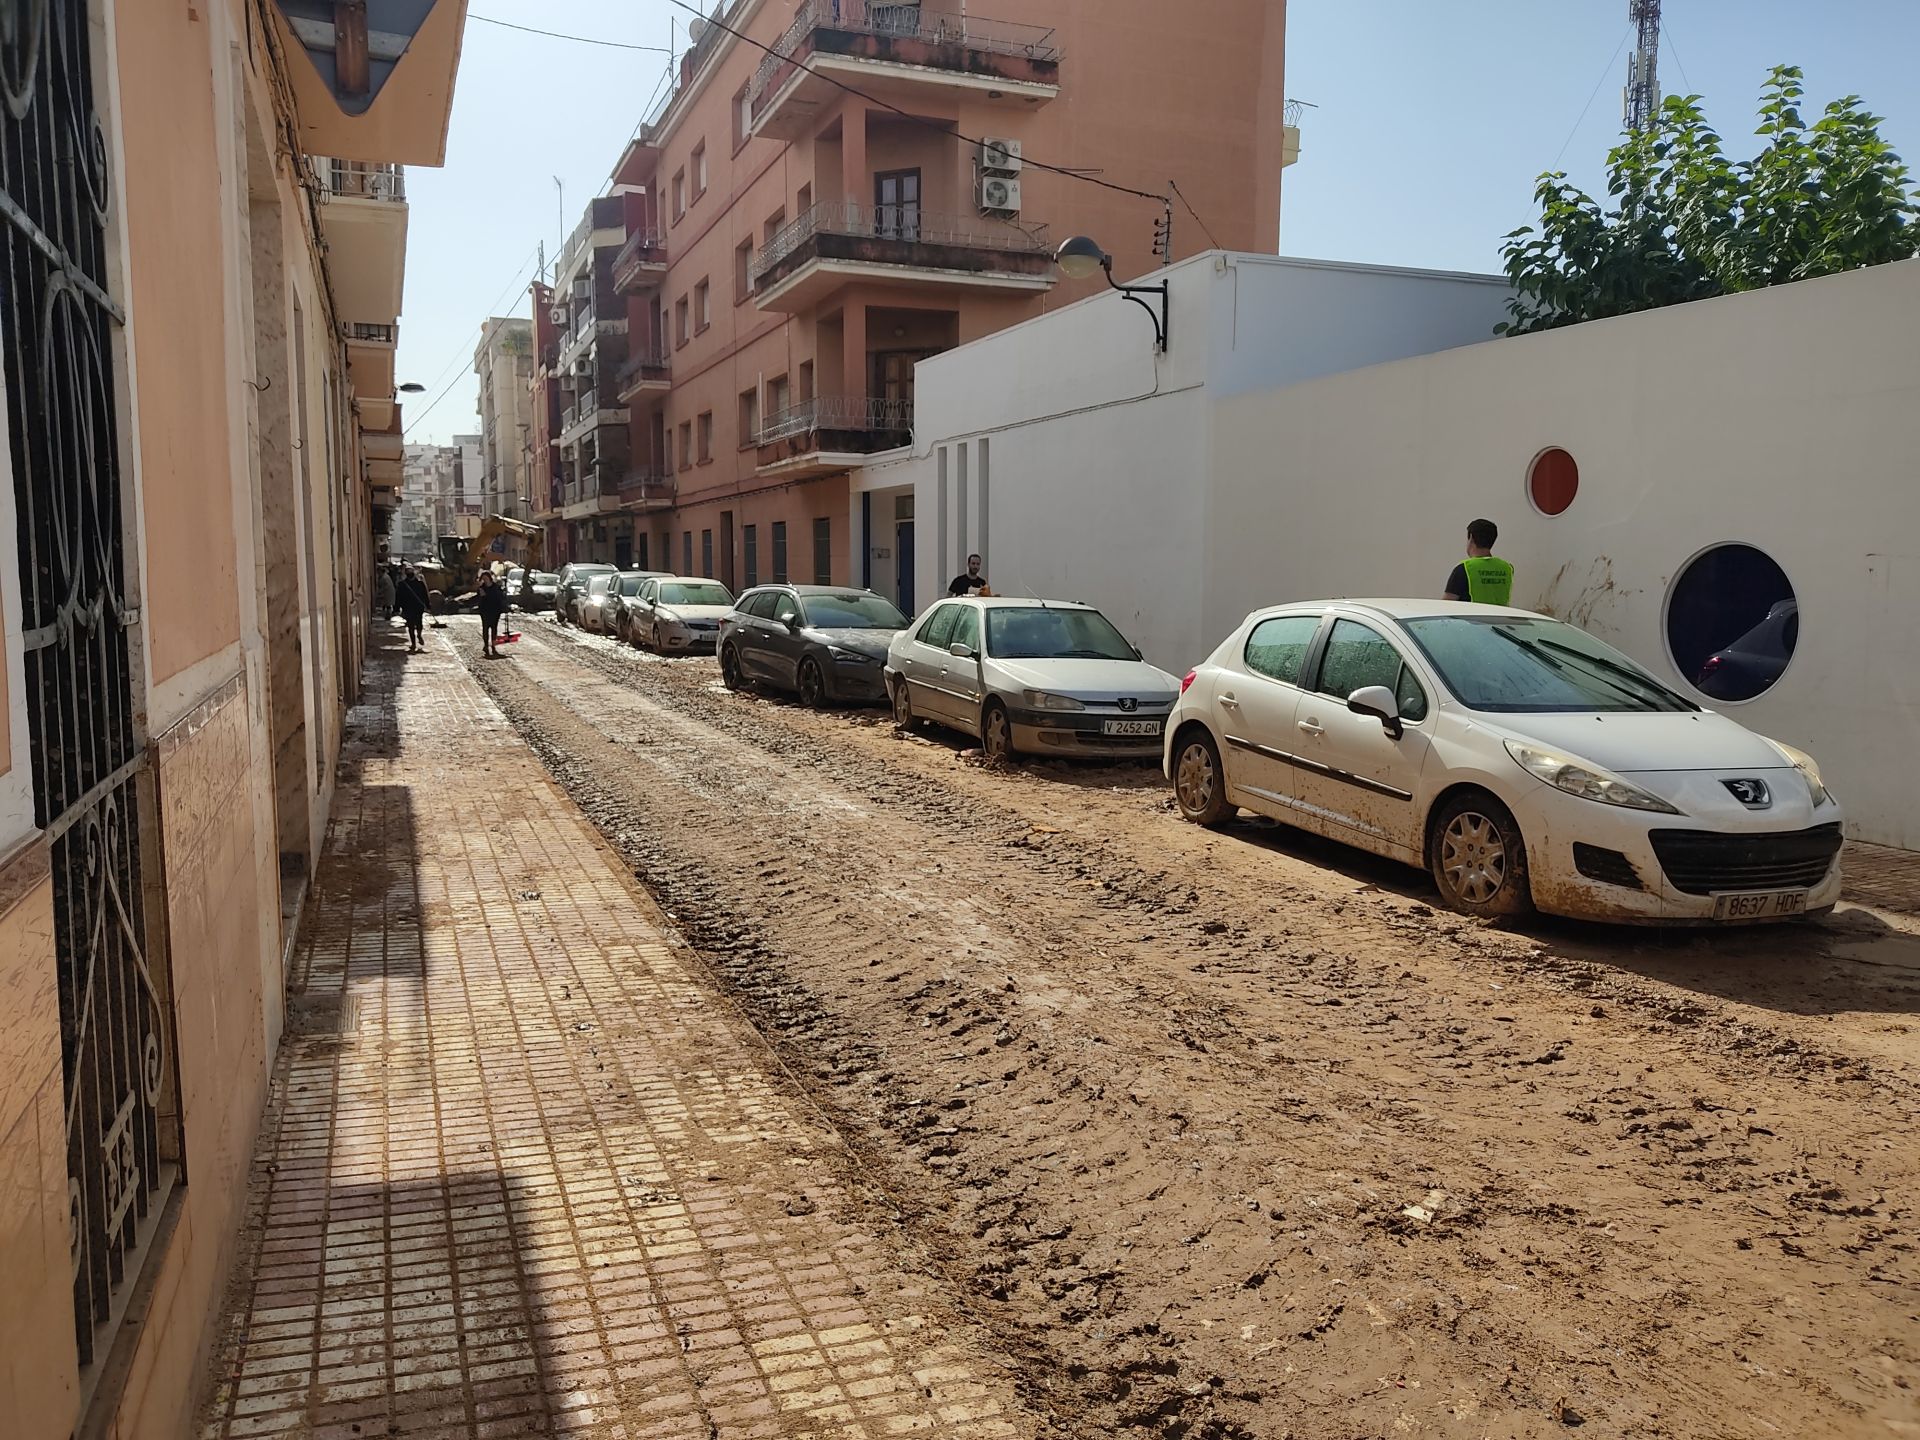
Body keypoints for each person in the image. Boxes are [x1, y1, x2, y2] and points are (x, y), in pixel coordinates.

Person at [1444, 519, 1514, 605]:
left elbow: (1447, 605)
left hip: (1471, 618)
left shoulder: (1463, 569)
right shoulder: (1507, 568)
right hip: (1499, 618)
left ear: (1471, 538)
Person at [476, 571, 510, 658]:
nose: (485, 580)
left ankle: (493, 645)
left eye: (486, 578)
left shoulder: (496, 587)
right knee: (485, 628)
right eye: (483, 579)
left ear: (489, 578)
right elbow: (479, 599)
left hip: (495, 611)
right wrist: (482, 596)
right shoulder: (481, 588)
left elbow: (499, 597)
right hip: (485, 611)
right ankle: (486, 645)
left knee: (494, 629)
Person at [396, 565, 430, 652]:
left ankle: (418, 636)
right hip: (410, 608)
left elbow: (425, 595)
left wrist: (396, 608)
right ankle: (413, 643)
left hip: (415, 608)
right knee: (411, 625)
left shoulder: (418, 584)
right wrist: (428, 605)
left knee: (417, 624)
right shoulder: (403, 585)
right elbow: (399, 597)